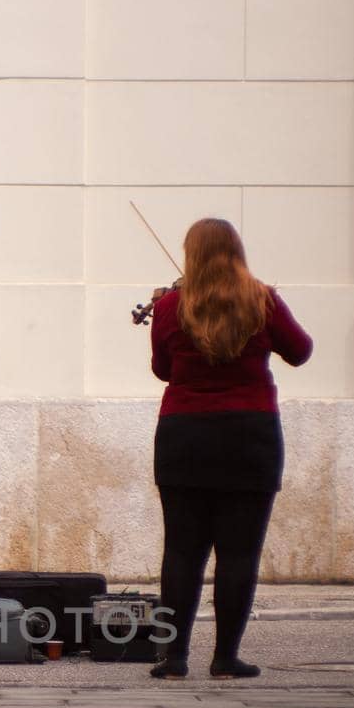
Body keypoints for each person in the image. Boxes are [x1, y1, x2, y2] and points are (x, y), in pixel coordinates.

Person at [148, 217, 313, 679]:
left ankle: (174, 657)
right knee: (239, 552)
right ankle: (225, 658)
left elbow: (163, 369)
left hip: (184, 436)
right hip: (249, 435)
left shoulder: (171, 307)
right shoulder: (261, 300)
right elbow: (300, 351)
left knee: (182, 550)